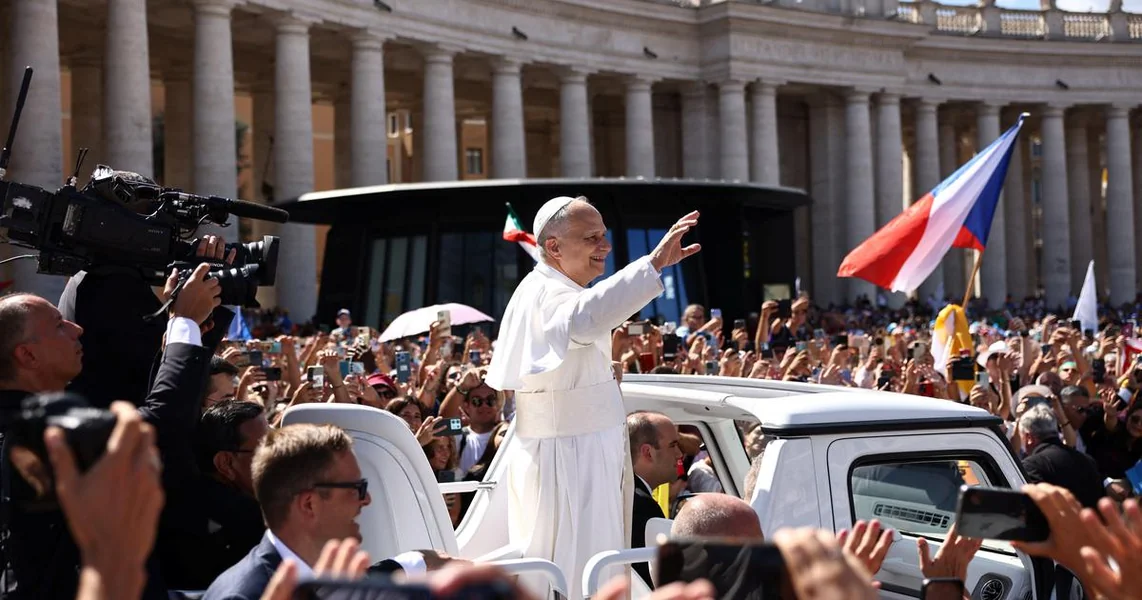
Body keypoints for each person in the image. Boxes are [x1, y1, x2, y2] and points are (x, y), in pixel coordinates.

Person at [484, 196, 700, 600]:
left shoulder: (556, 288)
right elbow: (583, 321)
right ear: (554, 248)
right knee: (578, 568)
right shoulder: (547, 292)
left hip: (582, 453)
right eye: (592, 238)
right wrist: (651, 266)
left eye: (604, 236)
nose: (605, 246)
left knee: (594, 563)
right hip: (569, 463)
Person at [202, 423, 372, 600]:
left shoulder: (336, 582)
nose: (367, 499)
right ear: (309, 504)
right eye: (356, 488)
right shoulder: (244, 595)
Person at [628, 411, 683, 586]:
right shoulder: (641, 505)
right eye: (673, 445)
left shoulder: (626, 496)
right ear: (648, 452)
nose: (680, 454)